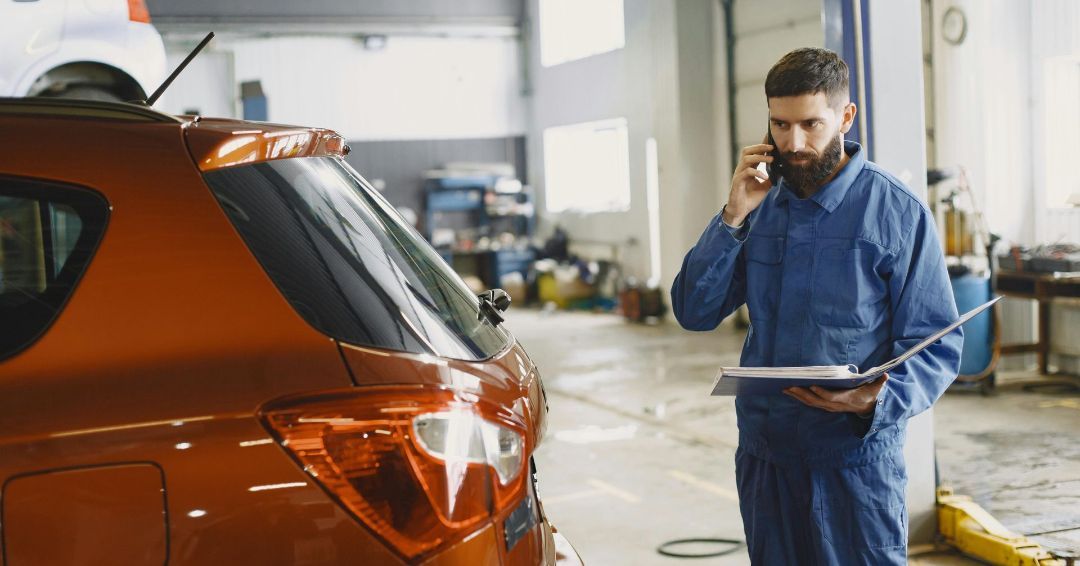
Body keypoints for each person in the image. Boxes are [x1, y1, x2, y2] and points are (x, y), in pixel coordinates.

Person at [670, 47, 962, 565]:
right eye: (780, 125)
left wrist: (874, 400)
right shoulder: (761, 204)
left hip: (852, 461)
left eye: (810, 124)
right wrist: (732, 216)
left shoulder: (896, 213)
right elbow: (694, 310)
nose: (794, 143)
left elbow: (936, 345)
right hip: (766, 454)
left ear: (845, 117)